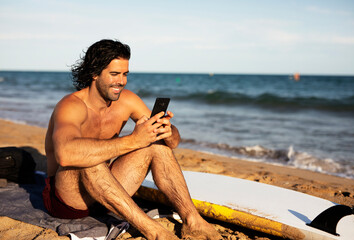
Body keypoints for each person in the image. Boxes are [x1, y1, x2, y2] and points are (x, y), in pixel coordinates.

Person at [42, 39, 222, 240]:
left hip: (106, 196)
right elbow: (65, 155)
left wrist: (168, 132)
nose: (121, 81)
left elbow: (172, 143)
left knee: (157, 144)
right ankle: (154, 232)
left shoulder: (127, 99)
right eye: (114, 74)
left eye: (125, 74)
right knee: (90, 160)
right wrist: (135, 140)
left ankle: (192, 220)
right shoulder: (71, 106)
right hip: (68, 202)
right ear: (94, 73)